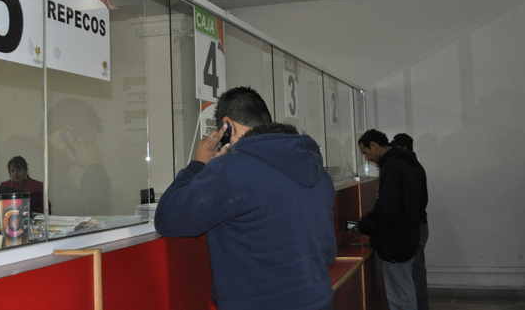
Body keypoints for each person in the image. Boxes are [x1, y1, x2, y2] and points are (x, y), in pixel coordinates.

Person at [155, 86, 336, 310]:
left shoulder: (228, 170)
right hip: (318, 301)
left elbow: (167, 218)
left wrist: (198, 164)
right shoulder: (317, 169)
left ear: (227, 126)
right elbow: (328, 251)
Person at [355, 129, 427, 310]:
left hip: (396, 242)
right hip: (406, 237)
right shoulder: (404, 162)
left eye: (365, 152)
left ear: (374, 145)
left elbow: (387, 209)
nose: (367, 158)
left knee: (399, 295)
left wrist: (365, 224)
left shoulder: (392, 165)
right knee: (405, 289)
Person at [391, 133, 429, 310]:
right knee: (416, 270)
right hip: (419, 225)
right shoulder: (415, 166)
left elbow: (414, 202)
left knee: (415, 272)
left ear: (404, 148)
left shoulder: (410, 168)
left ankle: (420, 306)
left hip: (415, 226)